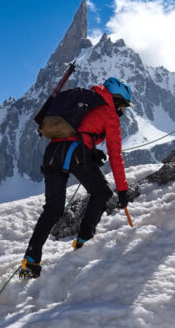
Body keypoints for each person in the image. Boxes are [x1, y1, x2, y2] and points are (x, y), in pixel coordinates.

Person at [19, 77, 132, 279]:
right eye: (123, 106)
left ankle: (31, 260)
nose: (123, 112)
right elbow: (116, 155)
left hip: (53, 152)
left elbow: (81, 131)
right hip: (74, 152)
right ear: (116, 101)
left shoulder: (87, 102)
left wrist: (92, 151)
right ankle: (84, 242)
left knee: (53, 209)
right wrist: (122, 190)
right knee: (102, 192)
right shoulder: (109, 113)